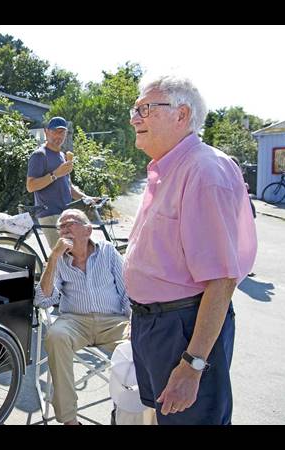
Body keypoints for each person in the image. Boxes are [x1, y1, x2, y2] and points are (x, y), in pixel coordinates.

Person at [124, 76, 257, 425]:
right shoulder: (169, 168)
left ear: (181, 115)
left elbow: (222, 281)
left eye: (145, 109)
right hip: (158, 325)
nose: (134, 118)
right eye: (135, 109)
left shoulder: (203, 170)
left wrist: (193, 364)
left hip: (184, 329)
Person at [34, 208, 131, 425]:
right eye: (61, 226)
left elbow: (128, 292)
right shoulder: (57, 258)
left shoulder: (108, 251)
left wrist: (134, 322)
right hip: (75, 321)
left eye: (70, 223)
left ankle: (124, 413)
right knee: (56, 336)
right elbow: (42, 300)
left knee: (140, 344)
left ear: (88, 229)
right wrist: (53, 258)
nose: (64, 229)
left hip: (113, 322)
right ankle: (69, 420)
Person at [26, 117, 93, 250]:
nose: (60, 136)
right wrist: (55, 174)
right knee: (63, 256)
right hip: (50, 214)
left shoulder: (62, 156)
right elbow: (30, 186)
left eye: (63, 132)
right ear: (46, 132)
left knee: (77, 252)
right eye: (56, 132)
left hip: (64, 214)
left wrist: (86, 198)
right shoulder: (40, 155)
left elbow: (69, 187)